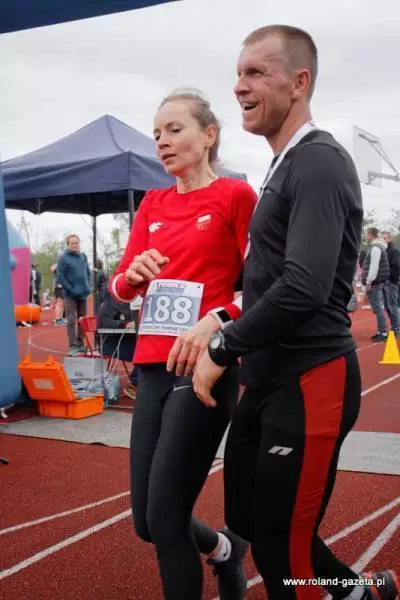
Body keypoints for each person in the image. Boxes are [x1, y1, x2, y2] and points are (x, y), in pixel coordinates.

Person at [194, 25, 399, 600]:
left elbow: (304, 287)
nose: (240, 86)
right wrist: (223, 316)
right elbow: (266, 277)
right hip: (267, 378)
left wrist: (222, 347)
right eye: (238, 73)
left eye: (256, 72)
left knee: (284, 551)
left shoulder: (319, 163)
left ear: (299, 82)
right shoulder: (284, 164)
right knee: (254, 523)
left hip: (310, 378)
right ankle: (358, 593)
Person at [110, 90, 257, 600]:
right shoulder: (152, 203)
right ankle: (225, 550)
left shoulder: (235, 196)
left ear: (209, 135)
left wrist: (218, 319)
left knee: (167, 519)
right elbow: (119, 287)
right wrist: (132, 276)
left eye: (174, 129)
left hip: (203, 368)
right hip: (151, 367)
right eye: (157, 134)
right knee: (146, 522)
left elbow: (263, 285)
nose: (162, 142)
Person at [97, 292, 138, 399]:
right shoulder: (114, 300)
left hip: (132, 341)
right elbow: (102, 322)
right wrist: (124, 324)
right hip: (114, 344)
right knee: (145, 350)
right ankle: (134, 384)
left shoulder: (142, 299)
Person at [56, 234, 91, 356]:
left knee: (82, 320)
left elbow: (87, 273)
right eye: (72, 243)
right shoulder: (64, 258)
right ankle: (73, 346)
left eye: (76, 242)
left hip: (83, 293)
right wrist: (70, 289)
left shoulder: (83, 256)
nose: (75, 245)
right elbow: (59, 277)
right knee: (71, 320)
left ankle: (80, 344)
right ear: (68, 245)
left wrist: (88, 286)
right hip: (70, 295)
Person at [362, 228, 390, 342]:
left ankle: (383, 333)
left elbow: (374, 266)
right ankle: (380, 331)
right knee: (377, 307)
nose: (366, 236)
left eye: (367, 234)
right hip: (378, 280)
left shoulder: (375, 248)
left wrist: (369, 281)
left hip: (375, 281)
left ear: (371, 235)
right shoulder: (379, 247)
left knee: (378, 308)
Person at [381, 231, 400, 333]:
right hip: (383, 282)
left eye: (385, 238)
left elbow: (396, 267)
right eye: (382, 238)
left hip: (391, 282)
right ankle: (395, 326)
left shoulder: (393, 252)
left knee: (392, 306)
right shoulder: (382, 252)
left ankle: (396, 328)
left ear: (389, 239)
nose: (383, 240)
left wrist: (388, 277)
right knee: (387, 307)